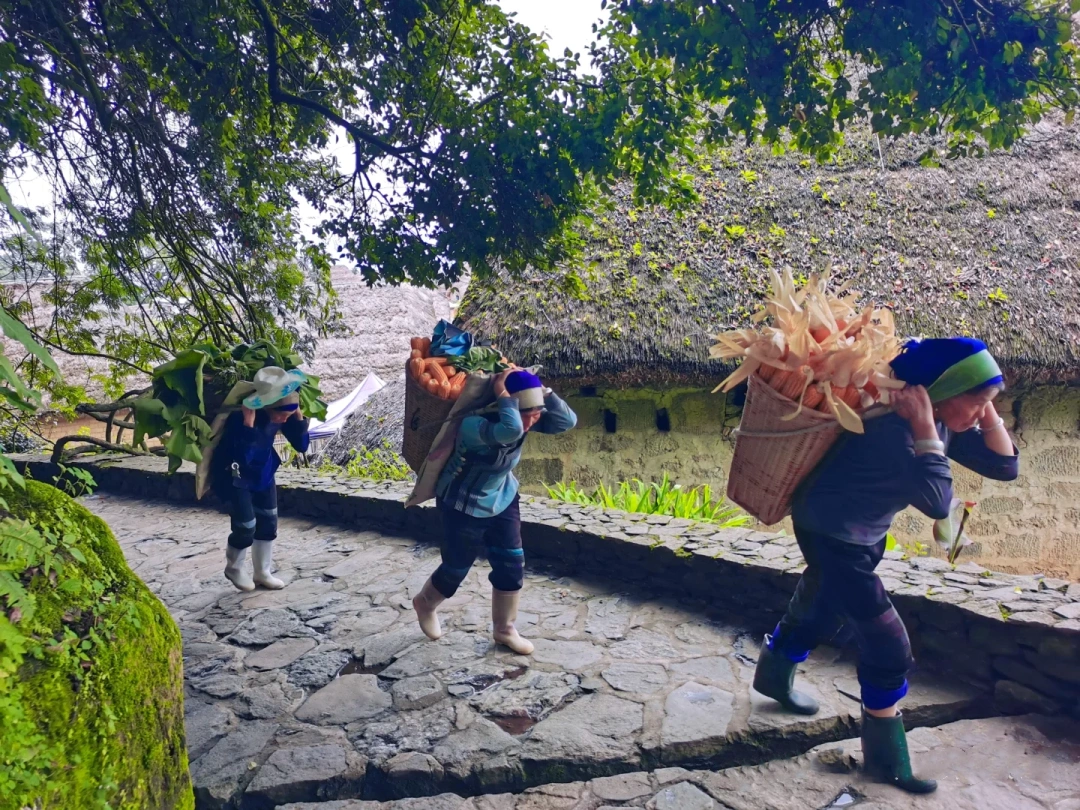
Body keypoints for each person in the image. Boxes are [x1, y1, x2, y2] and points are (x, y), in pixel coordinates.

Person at [751, 337, 1018, 794]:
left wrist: (984, 405)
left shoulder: (935, 423)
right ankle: (885, 760)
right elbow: (937, 503)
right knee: (889, 648)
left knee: (823, 605)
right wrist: (927, 429)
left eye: (985, 406)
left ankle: (773, 674)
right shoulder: (897, 431)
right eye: (975, 403)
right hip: (832, 534)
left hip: (858, 533)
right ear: (942, 392)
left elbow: (1005, 467)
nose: (980, 416)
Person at [412, 368, 577, 654]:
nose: (532, 421)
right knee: (456, 568)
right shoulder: (473, 425)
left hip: (502, 497)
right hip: (463, 503)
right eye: (527, 413)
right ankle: (425, 602)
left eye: (536, 414)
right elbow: (509, 430)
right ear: (503, 405)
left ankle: (504, 629)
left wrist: (541, 390)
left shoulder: (522, 418)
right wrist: (504, 394)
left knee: (511, 563)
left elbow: (567, 420)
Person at [211, 366, 311, 592]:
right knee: (246, 526)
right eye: (281, 415)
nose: (282, 421)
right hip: (236, 476)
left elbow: (302, 446)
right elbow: (243, 458)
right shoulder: (239, 419)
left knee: (268, 523)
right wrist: (248, 423)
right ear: (267, 406)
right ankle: (234, 567)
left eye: (287, 416)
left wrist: (297, 416)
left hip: (264, 473)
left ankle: (262, 572)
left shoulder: (281, 416)